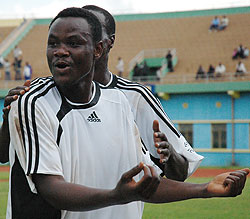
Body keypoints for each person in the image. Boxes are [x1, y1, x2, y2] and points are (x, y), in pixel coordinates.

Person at [6, 7, 250, 219]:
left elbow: (144, 184)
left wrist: (206, 188)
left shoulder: (121, 102)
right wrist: (117, 195)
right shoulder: (32, 101)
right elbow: (50, 189)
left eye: (73, 43)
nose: (60, 51)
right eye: (53, 43)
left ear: (100, 48)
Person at [1, 5, 204, 182]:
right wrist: (10, 119)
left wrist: (169, 157)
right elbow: (4, 156)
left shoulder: (131, 97)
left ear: (106, 43)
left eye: (92, 31)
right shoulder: (39, 95)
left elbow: (180, 171)